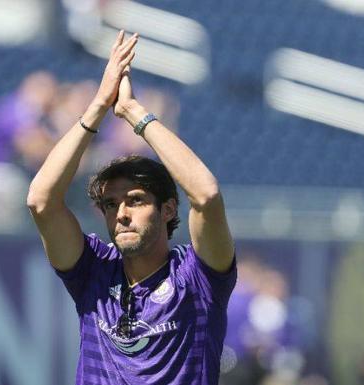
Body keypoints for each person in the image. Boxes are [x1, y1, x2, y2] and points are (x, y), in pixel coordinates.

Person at [27, 30, 236, 385]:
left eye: (135, 200)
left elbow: (206, 195)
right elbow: (41, 200)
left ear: (168, 209)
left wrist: (132, 112)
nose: (121, 213)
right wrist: (97, 108)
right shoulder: (92, 272)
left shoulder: (198, 278)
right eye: (111, 204)